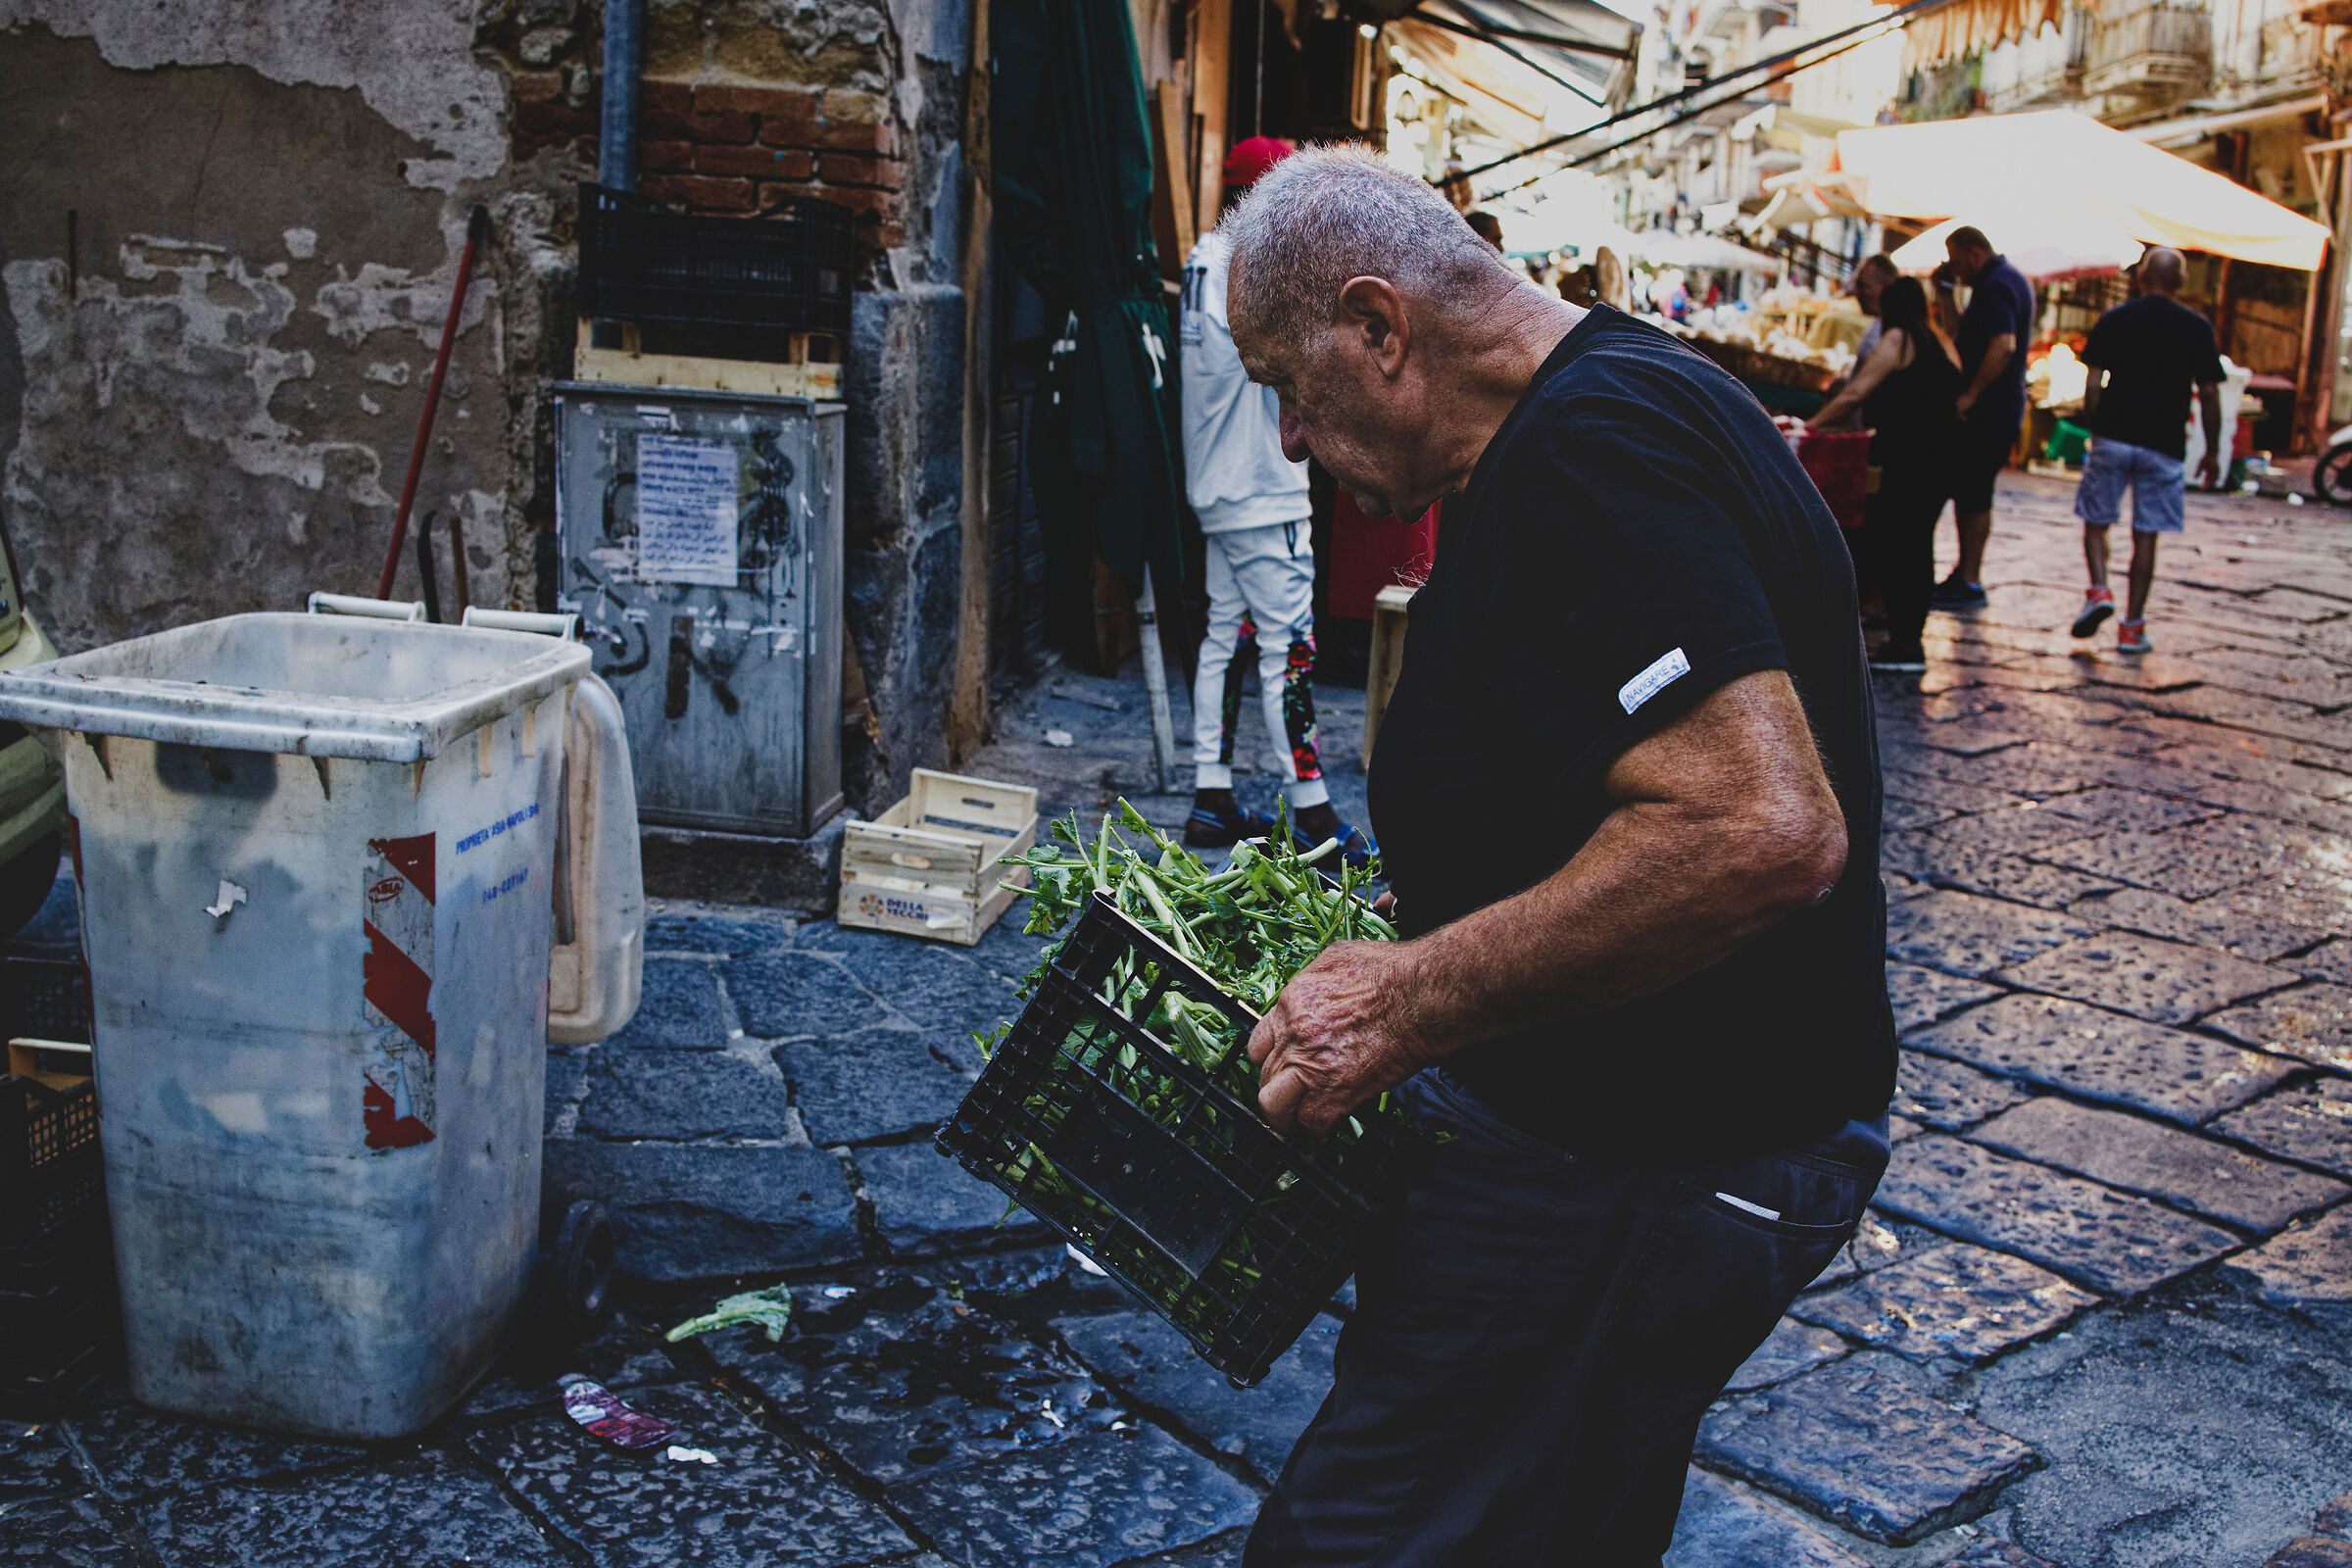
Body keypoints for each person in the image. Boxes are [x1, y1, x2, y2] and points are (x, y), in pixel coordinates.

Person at [1222, 145, 1892, 1563]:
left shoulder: (1588, 457)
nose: (1285, 437)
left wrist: (1405, 1000)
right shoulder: (1633, 390)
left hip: (1636, 1156)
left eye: (1288, 381)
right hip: (1674, 1141)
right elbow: (1620, 759)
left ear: (1379, 326)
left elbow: (1756, 827)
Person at [1178, 134, 1371, 860]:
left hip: (1215, 481)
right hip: (1263, 488)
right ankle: (1314, 816)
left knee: (1224, 640)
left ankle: (1211, 797)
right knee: (1288, 649)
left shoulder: (1203, 262)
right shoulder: (1253, 271)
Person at [2070, 247, 2224, 654]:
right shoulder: (2197, 327)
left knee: (2096, 518)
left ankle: (2100, 590)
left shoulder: (2115, 318)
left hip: (2114, 436)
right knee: (2146, 535)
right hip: (2164, 444)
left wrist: (2096, 426)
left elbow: (2092, 382)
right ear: (2182, 282)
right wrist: (2210, 451)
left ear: (2141, 277)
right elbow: (2208, 393)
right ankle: (2132, 627)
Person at [1808, 276, 1962, 672]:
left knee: (1897, 545)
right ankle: (1908, 635)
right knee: (1917, 546)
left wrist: (1810, 426)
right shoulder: (1941, 341)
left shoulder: (1898, 339)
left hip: (1905, 459)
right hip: (1942, 458)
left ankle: (1906, 644)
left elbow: (1857, 393)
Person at [1931, 226, 2035, 609]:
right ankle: (1965, 573)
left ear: (1975, 253)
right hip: (1995, 408)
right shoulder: (1997, 285)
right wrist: (1945, 294)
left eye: (1955, 259)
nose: (1953, 269)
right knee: (1970, 491)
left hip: (1990, 410)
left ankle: (1970, 578)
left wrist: (1972, 395)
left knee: (1974, 494)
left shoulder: (1996, 287)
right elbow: (1961, 336)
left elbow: (2003, 345)